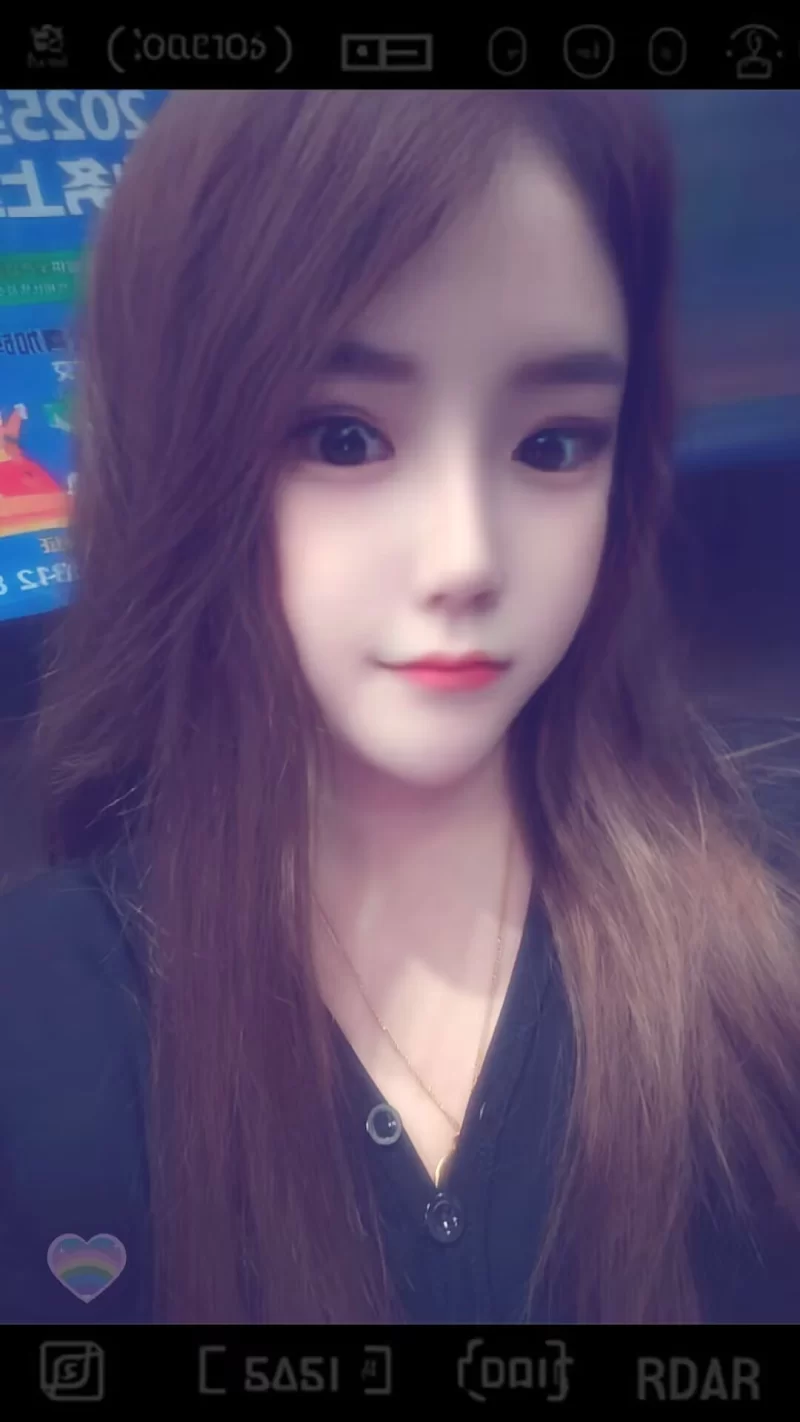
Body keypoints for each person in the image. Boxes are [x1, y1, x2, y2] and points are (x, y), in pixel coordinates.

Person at [0, 89, 798, 1327]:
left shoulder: (767, 893)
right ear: (180, 453)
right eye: (342, 437)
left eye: (552, 445)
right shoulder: (43, 1015)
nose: (463, 557)